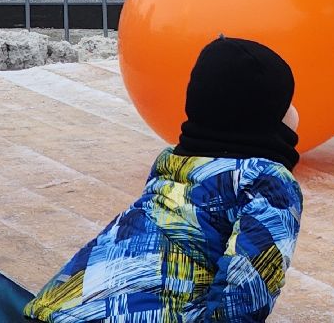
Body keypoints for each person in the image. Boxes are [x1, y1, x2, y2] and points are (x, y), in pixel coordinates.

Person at [25, 37, 304, 321]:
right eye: (287, 102)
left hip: (57, 310)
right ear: (268, 118)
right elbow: (246, 289)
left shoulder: (175, 165)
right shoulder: (267, 184)